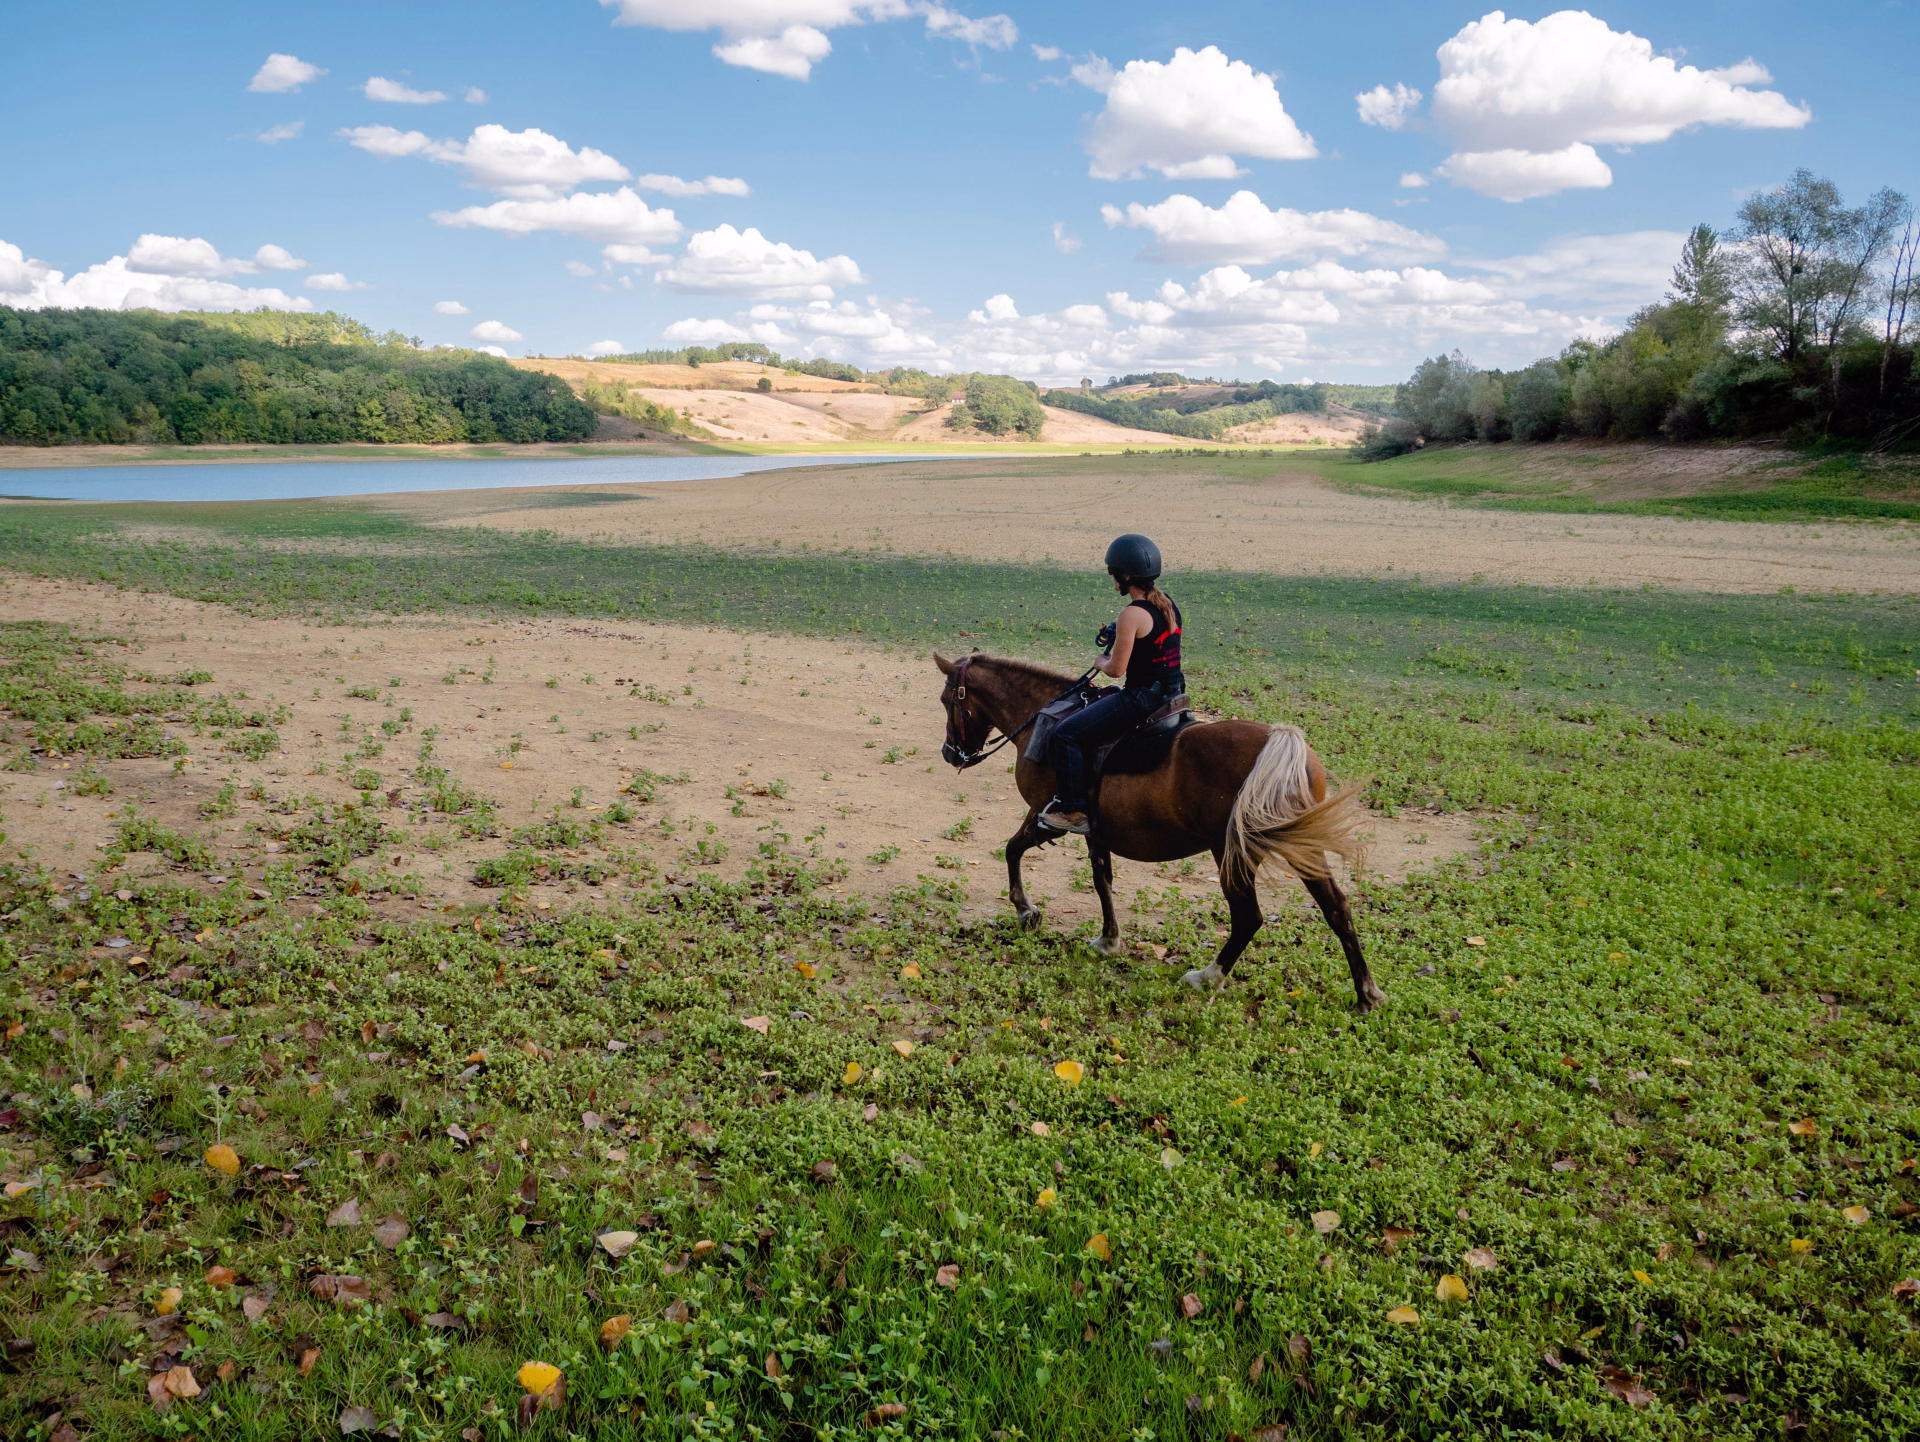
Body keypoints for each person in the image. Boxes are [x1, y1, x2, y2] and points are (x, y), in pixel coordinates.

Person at [1039, 533, 1185, 835]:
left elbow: (1116, 670)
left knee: (1066, 734)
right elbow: (1152, 646)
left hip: (1142, 699)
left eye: (1113, 574)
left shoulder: (1131, 613)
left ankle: (1073, 809)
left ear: (1125, 575)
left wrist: (1099, 661)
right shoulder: (1166, 603)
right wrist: (1119, 633)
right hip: (1172, 694)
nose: (1112, 580)